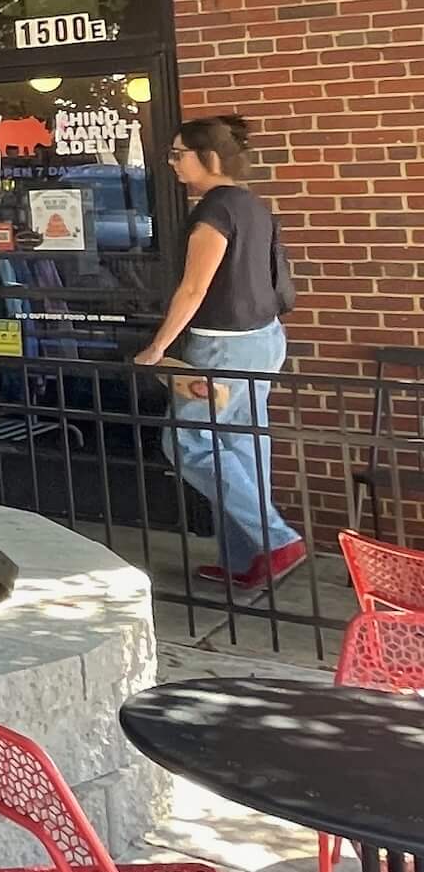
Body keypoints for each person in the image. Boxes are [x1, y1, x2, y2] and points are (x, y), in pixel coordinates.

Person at [133, 116, 299, 590]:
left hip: (222, 347)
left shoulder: (214, 212)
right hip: (262, 339)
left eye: (177, 153)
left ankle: (276, 539)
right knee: (243, 445)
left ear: (208, 157)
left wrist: (158, 347)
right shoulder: (252, 205)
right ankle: (244, 560)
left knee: (188, 444)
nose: (172, 163)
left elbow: (193, 288)